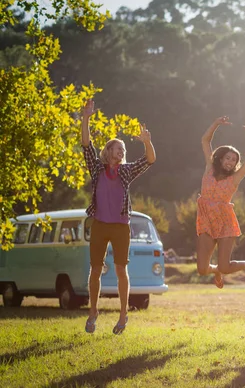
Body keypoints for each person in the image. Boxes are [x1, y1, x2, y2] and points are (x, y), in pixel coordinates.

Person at [81, 99, 156, 335]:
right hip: (100, 225)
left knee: (121, 270)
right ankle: (93, 312)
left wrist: (147, 142)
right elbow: (86, 145)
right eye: (117, 148)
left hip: (121, 226)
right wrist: (86, 118)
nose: (121, 152)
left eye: (123, 150)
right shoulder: (96, 168)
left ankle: (123, 315)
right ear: (108, 151)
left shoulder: (125, 171)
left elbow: (150, 160)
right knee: (95, 270)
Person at [196, 116, 245, 288]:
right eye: (227, 158)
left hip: (225, 222)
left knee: (225, 266)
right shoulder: (209, 168)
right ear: (220, 159)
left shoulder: (235, 178)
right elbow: (205, 140)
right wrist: (216, 124)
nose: (230, 162)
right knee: (202, 269)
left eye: (234, 160)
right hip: (206, 220)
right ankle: (215, 271)